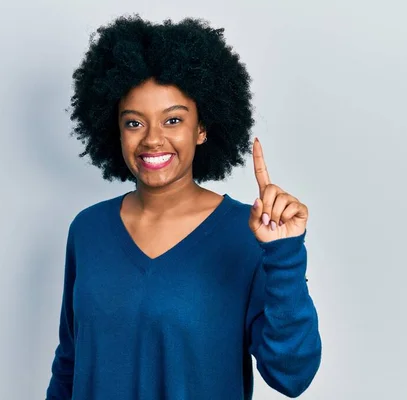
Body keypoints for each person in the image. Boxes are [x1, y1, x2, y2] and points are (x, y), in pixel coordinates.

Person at [46, 15, 321, 400]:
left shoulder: (248, 233)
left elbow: (291, 376)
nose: (153, 140)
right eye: (134, 123)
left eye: (173, 119)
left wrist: (286, 253)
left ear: (202, 128)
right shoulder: (88, 230)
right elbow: (70, 364)